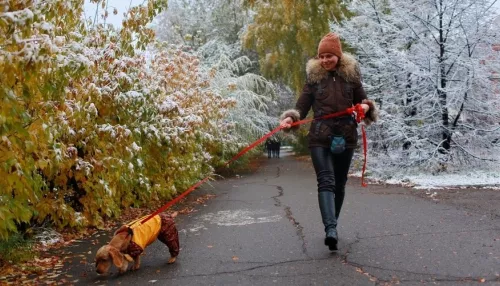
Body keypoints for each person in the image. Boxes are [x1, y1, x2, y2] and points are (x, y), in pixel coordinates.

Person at [279, 32, 378, 251]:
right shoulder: (313, 78)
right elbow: (302, 106)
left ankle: (333, 223)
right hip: (320, 137)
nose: (324, 60)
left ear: (338, 56)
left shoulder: (351, 76)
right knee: (326, 180)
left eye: (329, 56)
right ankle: (330, 229)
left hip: (346, 135)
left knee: (340, 183)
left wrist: (365, 107)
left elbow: (364, 102)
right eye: (321, 56)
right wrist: (290, 118)